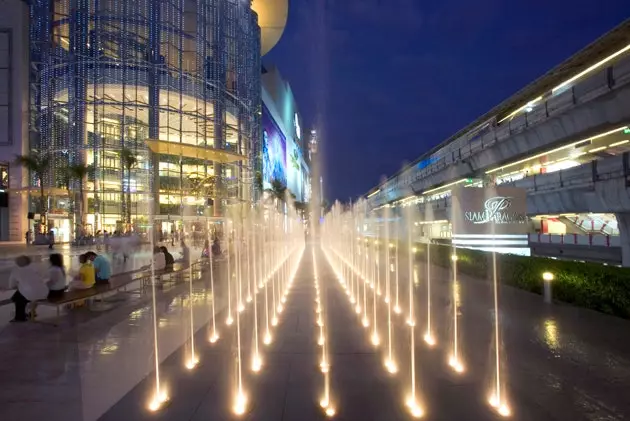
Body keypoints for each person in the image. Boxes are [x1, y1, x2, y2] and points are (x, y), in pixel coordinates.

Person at [7, 256, 48, 322]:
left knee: (17, 297)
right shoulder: (34, 267)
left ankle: (20, 317)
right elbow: (41, 278)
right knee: (20, 295)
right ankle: (28, 312)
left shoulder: (16, 270)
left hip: (31, 294)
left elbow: (12, 285)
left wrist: (19, 284)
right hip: (44, 292)